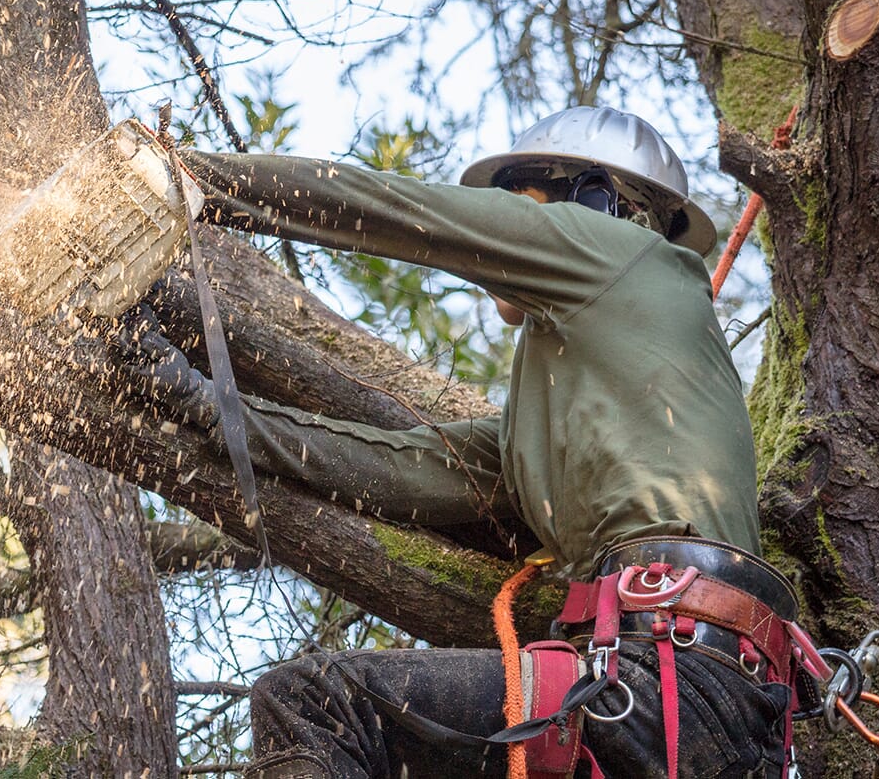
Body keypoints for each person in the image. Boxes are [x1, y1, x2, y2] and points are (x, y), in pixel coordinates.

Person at [136, 107, 797, 778]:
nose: (500, 220)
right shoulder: (554, 420)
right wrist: (206, 406)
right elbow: (401, 467)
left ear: (596, 199)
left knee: (315, 704)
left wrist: (186, 178)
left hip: (670, 678)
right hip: (679, 703)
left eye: (518, 203)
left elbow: (404, 211)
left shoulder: (619, 251)